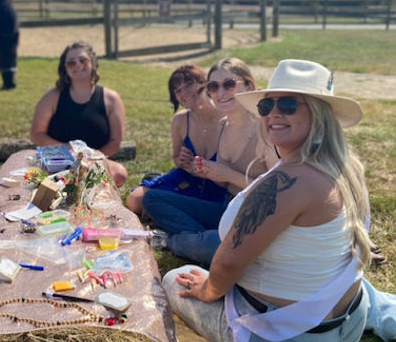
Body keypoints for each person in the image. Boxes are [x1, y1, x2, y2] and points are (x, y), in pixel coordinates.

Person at [164, 59, 371, 341]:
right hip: (348, 319)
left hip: (287, 331)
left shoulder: (288, 180)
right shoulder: (345, 165)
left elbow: (226, 265)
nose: (273, 114)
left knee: (174, 278)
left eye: (287, 105)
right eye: (266, 106)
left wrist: (207, 290)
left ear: (319, 113)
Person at [142, 58, 277, 266]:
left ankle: (177, 241)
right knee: (152, 199)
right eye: (214, 86)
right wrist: (204, 170)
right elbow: (222, 183)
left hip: (253, 216)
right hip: (226, 207)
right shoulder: (225, 125)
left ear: (248, 85)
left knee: (217, 247)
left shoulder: (265, 129)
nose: (220, 93)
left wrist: (228, 174)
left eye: (229, 84)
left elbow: (276, 194)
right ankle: (204, 240)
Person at [126, 65, 225, 214]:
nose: (184, 93)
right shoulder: (180, 120)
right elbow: (176, 157)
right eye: (178, 90)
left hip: (217, 185)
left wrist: (204, 169)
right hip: (185, 179)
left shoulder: (226, 119)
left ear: (205, 84)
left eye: (189, 85)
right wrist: (182, 161)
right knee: (134, 201)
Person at [30, 41, 128, 187]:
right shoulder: (52, 97)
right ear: (65, 68)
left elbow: (115, 141)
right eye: (71, 63)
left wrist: (91, 159)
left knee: (120, 174)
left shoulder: (111, 99)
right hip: (58, 162)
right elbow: (36, 134)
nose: (78, 65)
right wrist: (66, 149)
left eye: (83, 60)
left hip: (95, 162)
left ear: (93, 63)